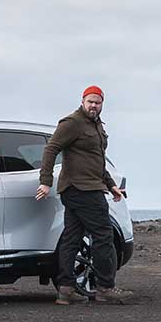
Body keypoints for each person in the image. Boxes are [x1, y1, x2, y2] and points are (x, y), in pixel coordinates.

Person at [36, 85, 133, 305]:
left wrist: (111, 185)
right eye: (90, 102)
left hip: (89, 187)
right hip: (81, 190)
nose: (93, 106)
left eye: (97, 103)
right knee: (104, 236)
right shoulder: (72, 123)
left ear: (102, 104)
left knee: (71, 238)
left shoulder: (97, 126)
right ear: (82, 101)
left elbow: (97, 161)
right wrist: (45, 181)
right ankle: (105, 288)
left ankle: (66, 289)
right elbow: (51, 149)